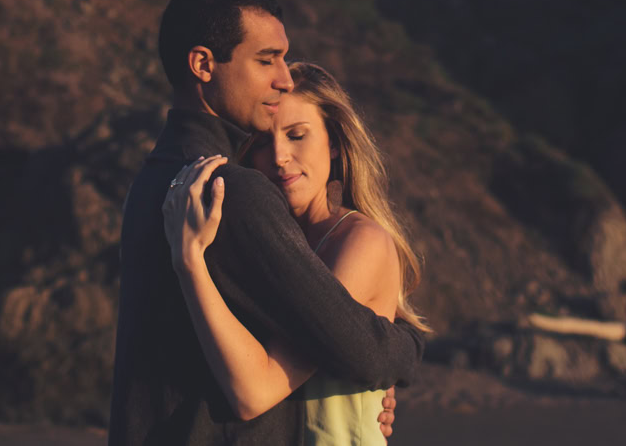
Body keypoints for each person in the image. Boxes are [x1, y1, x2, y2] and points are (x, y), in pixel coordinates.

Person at [109, 0, 420, 446]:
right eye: (265, 59)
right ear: (202, 64)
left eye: (298, 134)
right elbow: (361, 349)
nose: (284, 78)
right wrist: (411, 345)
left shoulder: (151, 182)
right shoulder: (231, 192)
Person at [163, 61, 429, 445]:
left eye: (297, 135)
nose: (280, 156)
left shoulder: (360, 242)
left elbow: (253, 392)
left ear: (333, 142)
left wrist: (189, 262)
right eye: (263, 142)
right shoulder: (279, 243)